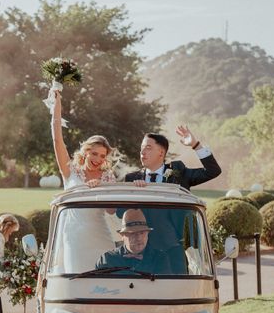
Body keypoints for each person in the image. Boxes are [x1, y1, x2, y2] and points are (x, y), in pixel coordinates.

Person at [124, 128, 222, 273]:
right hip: (140, 251)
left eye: (148, 148)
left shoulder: (178, 172)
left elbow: (213, 171)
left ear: (161, 153)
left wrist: (196, 145)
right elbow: (122, 214)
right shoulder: (131, 179)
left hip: (173, 249)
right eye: (141, 149)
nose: (142, 152)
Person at [50, 89, 118, 271]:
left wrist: (102, 188)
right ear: (86, 151)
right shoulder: (70, 170)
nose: (98, 159)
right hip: (73, 236)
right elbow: (57, 140)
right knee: (77, 278)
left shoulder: (108, 176)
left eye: (102, 156)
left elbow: (112, 211)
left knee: (107, 277)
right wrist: (57, 108)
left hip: (100, 234)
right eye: (94, 153)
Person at [96, 209, 173, 275]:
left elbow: (165, 290)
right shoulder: (108, 259)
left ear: (147, 234)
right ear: (122, 236)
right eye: (133, 233)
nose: (139, 238)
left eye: (142, 233)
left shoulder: (159, 259)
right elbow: (100, 289)